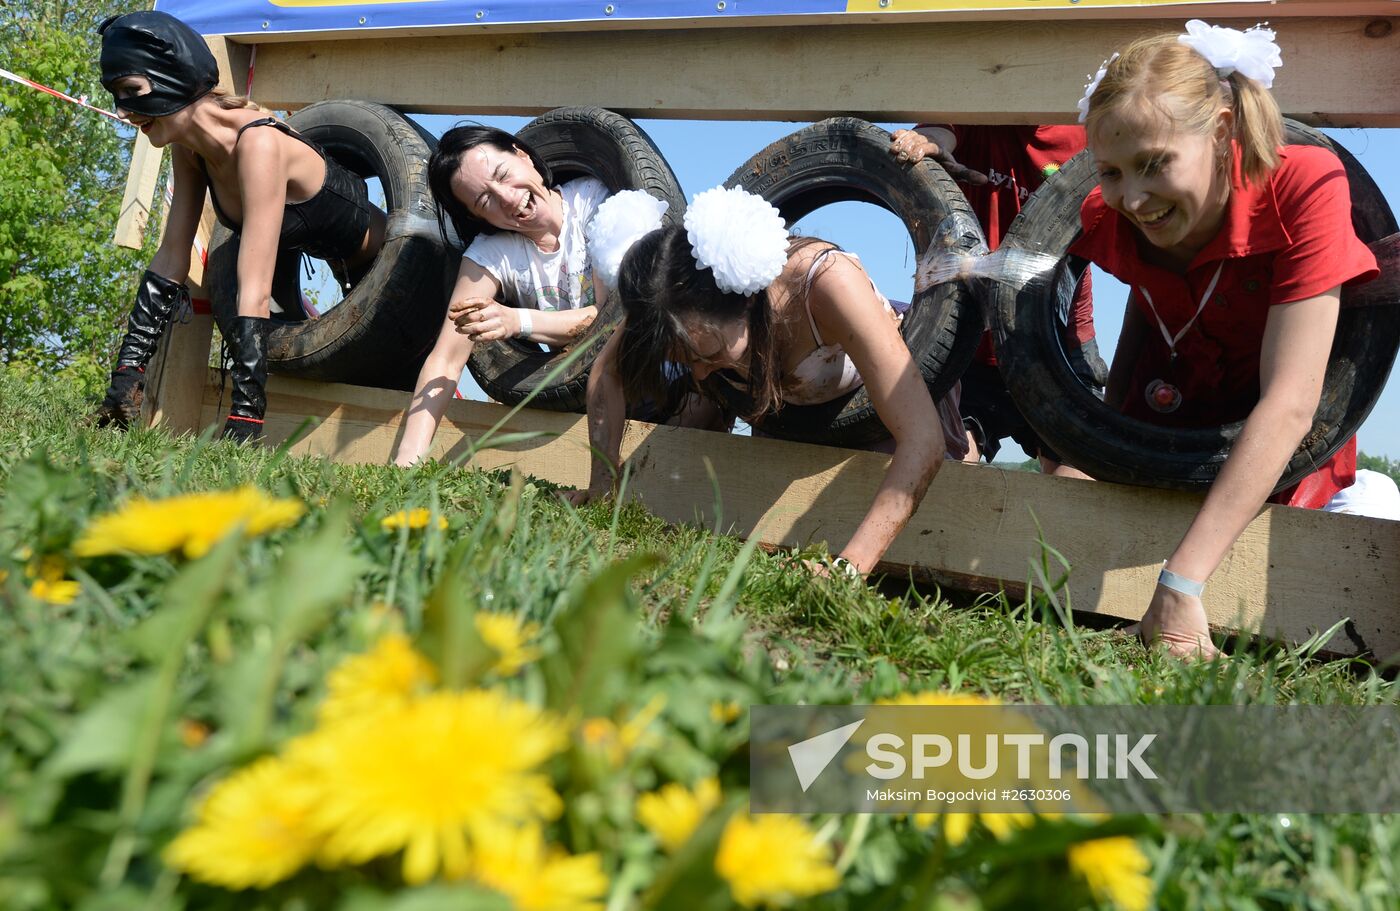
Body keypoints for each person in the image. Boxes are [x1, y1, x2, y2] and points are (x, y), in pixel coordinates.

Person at [1073, 21, 1379, 656]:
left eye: (1154, 164)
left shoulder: (1305, 185)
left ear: (1220, 132)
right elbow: (1146, 309)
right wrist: (1087, 440)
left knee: (1370, 521)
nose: (1133, 196)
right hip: (1165, 444)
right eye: (1111, 170)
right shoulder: (1106, 215)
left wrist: (1181, 583)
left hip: (1278, 457)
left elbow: (1292, 401)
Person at [565, 186, 967, 576]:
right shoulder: (667, 297)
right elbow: (606, 373)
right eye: (688, 362)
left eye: (708, 356)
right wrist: (602, 485)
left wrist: (846, 570)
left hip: (876, 402)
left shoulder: (827, 283)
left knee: (927, 541)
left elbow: (921, 438)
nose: (701, 374)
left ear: (743, 301)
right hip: (788, 411)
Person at [93, 10, 385, 440]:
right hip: (316, 253)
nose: (123, 111)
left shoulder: (259, 142)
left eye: (132, 90)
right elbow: (173, 253)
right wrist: (127, 372)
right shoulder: (190, 148)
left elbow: (255, 283)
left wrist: (246, 414)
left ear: (175, 74)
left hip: (381, 261)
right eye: (117, 96)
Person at [889, 124, 1102, 477]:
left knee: (1080, 478)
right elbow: (942, 131)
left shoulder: (1084, 133)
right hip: (971, 344)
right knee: (947, 468)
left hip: (1061, 342)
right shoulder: (983, 114)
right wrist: (929, 140)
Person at [392, 126, 612, 466]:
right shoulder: (491, 255)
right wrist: (407, 462)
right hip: (586, 401)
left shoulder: (595, 201)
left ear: (522, 155)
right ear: (475, 217)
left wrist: (515, 320)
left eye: (503, 174)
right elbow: (446, 359)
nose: (508, 198)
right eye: (485, 200)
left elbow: (608, 320)